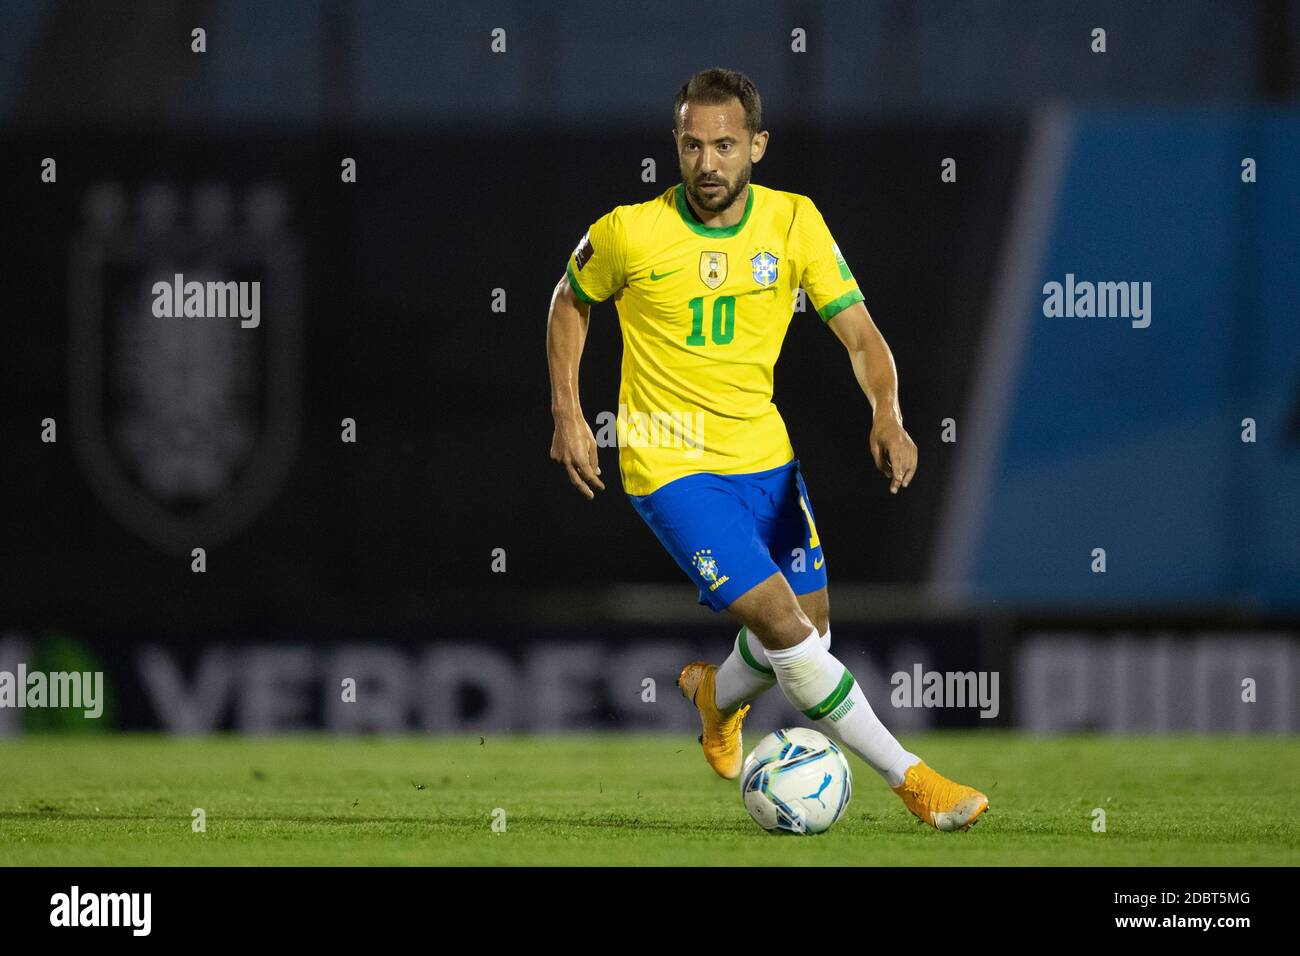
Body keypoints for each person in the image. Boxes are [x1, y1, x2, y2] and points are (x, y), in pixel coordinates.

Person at [546, 68, 987, 831]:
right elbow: (568, 302)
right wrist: (568, 412)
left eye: (724, 145)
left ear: (757, 145)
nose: (708, 163)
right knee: (784, 624)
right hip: (669, 462)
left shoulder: (794, 224)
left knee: (812, 629)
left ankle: (717, 697)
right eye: (692, 146)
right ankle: (913, 780)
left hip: (766, 460)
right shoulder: (628, 231)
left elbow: (860, 332)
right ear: (676, 147)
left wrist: (888, 415)